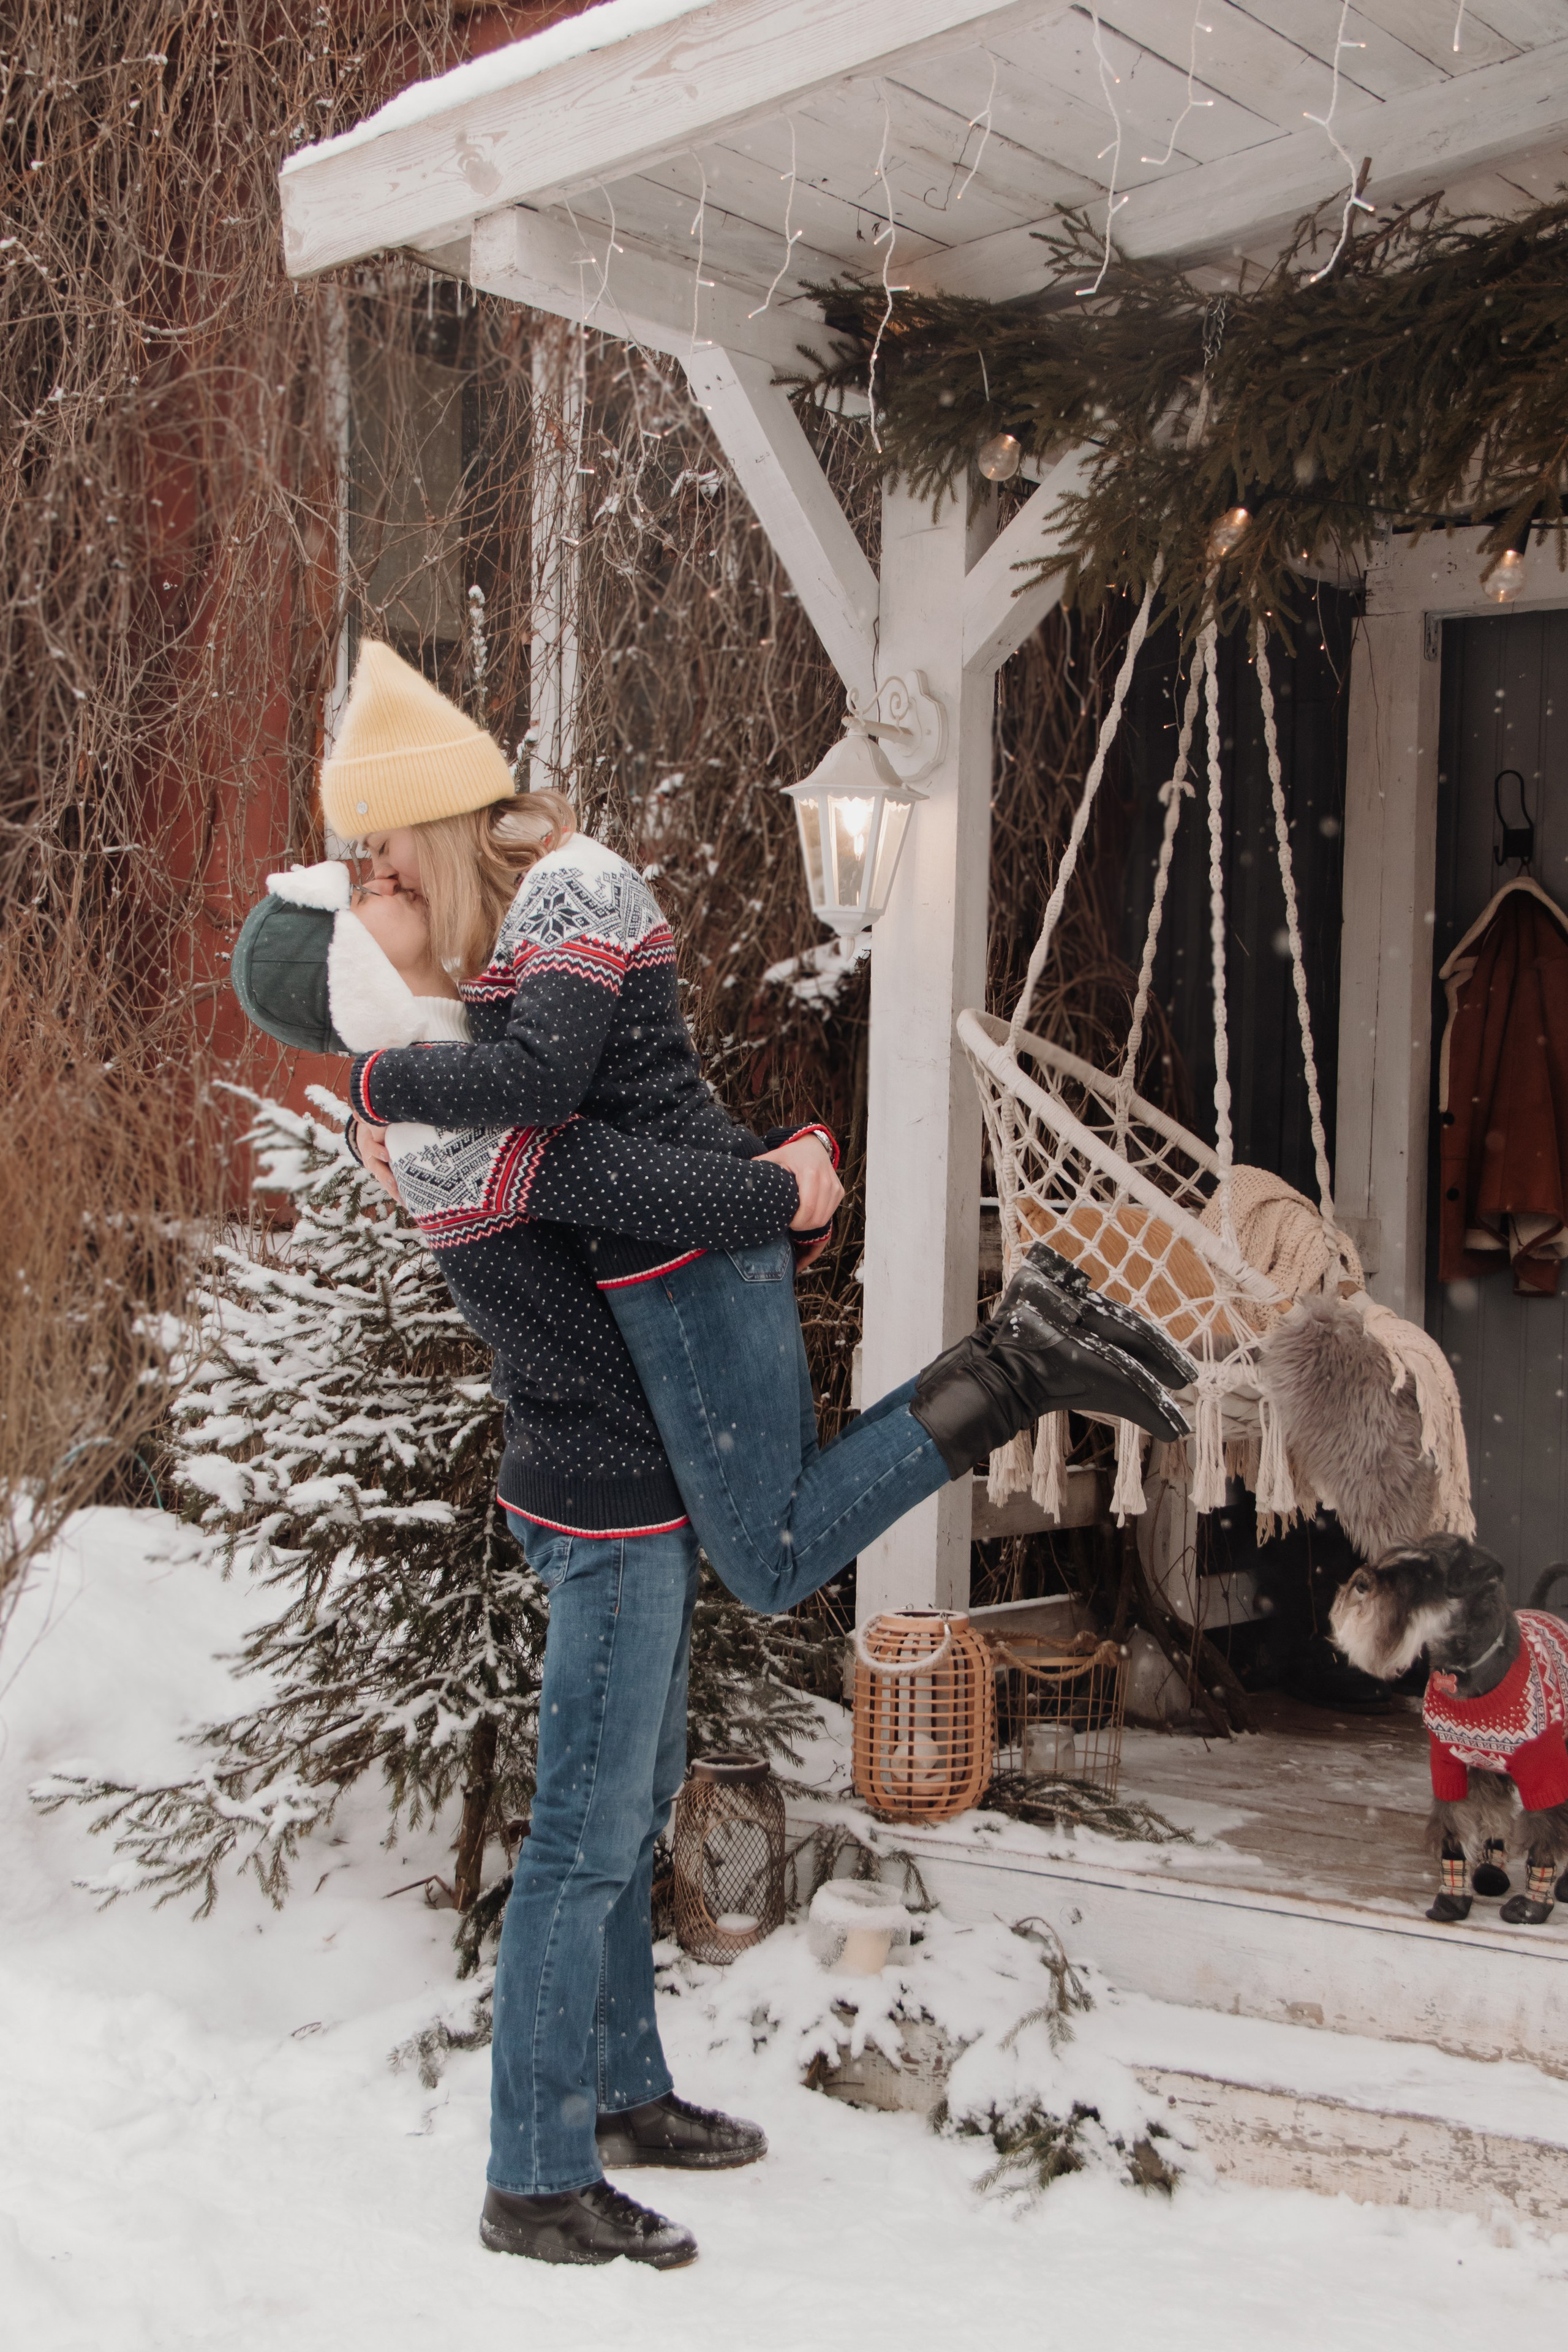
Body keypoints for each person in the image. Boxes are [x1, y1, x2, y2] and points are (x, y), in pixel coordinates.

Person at [236, 639, 1192, 2272]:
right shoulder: (449, 1104)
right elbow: (632, 1178)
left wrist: (762, 1186)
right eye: (368, 898)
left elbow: (605, 1133)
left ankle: (619, 2096)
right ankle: (536, 2177)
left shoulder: (475, 1052)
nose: (384, 893)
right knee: (589, 1843)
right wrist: (783, 1192)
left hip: (605, 1476)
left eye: (385, 866)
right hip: (605, 1506)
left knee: (621, 1808)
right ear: (360, 974)